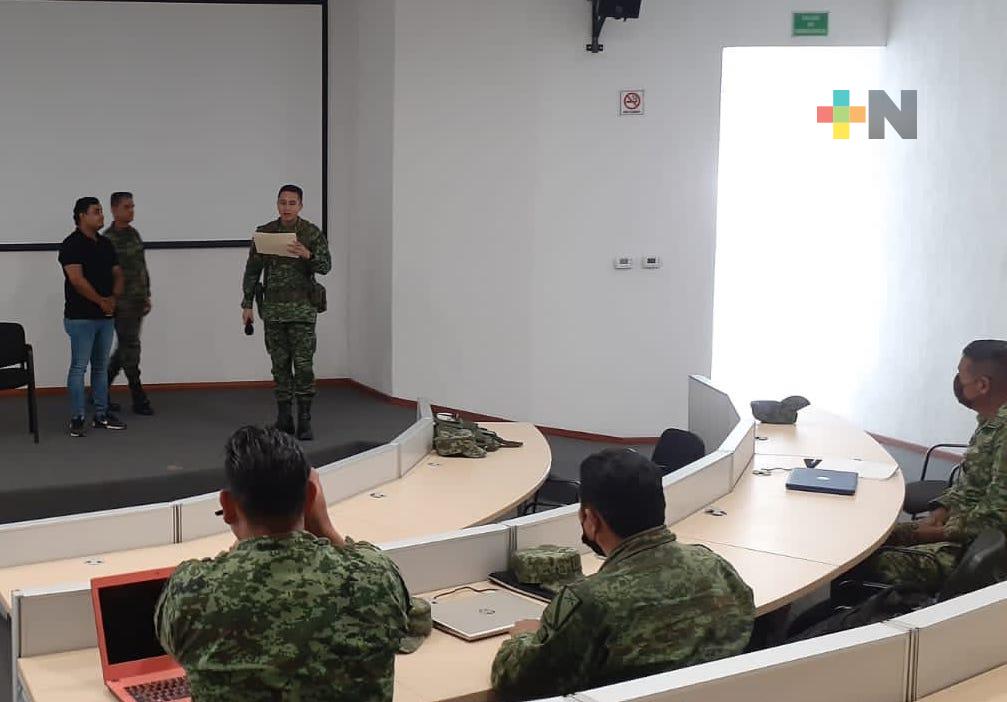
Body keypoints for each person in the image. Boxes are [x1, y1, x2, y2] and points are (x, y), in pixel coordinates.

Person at [155, 425, 409, 701]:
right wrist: (326, 529)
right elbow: (413, 619)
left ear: (227, 506)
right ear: (310, 498)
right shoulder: (375, 576)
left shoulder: (192, 592)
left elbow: (174, 646)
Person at [491, 448, 755, 700]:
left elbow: (516, 682)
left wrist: (526, 636)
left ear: (590, 519)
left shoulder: (589, 601)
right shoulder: (713, 564)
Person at [854, 339, 1007, 592]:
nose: (957, 381)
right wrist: (940, 513)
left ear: (982, 385)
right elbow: (968, 485)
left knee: (865, 557)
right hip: (956, 529)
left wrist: (934, 533)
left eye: (961, 374)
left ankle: (853, 620)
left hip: (969, 549)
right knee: (864, 538)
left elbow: (996, 517)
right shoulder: (989, 420)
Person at [241, 185, 331, 441]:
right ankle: (284, 418)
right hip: (273, 311)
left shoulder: (310, 232)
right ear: (277, 204)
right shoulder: (266, 233)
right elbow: (252, 271)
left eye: (292, 203)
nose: (287, 207)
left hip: (302, 311)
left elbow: (326, 266)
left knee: (303, 366)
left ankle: (304, 419)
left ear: (300, 205)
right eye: (283, 202)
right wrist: (247, 304)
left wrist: (307, 254)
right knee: (279, 366)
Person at [58, 197, 127, 437]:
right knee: (79, 367)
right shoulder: (71, 245)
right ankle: (77, 417)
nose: (102, 216)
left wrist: (114, 299)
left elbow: (118, 273)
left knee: (100, 367)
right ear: (81, 216)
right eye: (96, 212)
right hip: (81, 318)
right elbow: (77, 280)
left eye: (101, 211)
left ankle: (101, 414)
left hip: (105, 317)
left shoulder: (106, 244)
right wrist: (102, 301)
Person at [104, 191, 154, 415]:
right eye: (126, 207)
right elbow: (105, 275)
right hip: (121, 303)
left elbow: (142, 267)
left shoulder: (134, 234)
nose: (131, 210)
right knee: (131, 349)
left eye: (132, 206)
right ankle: (138, 396)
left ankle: (99, 391)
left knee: (125, 349)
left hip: (136, 301)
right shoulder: (107, 239)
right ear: (114, 210)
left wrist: (146, 294)